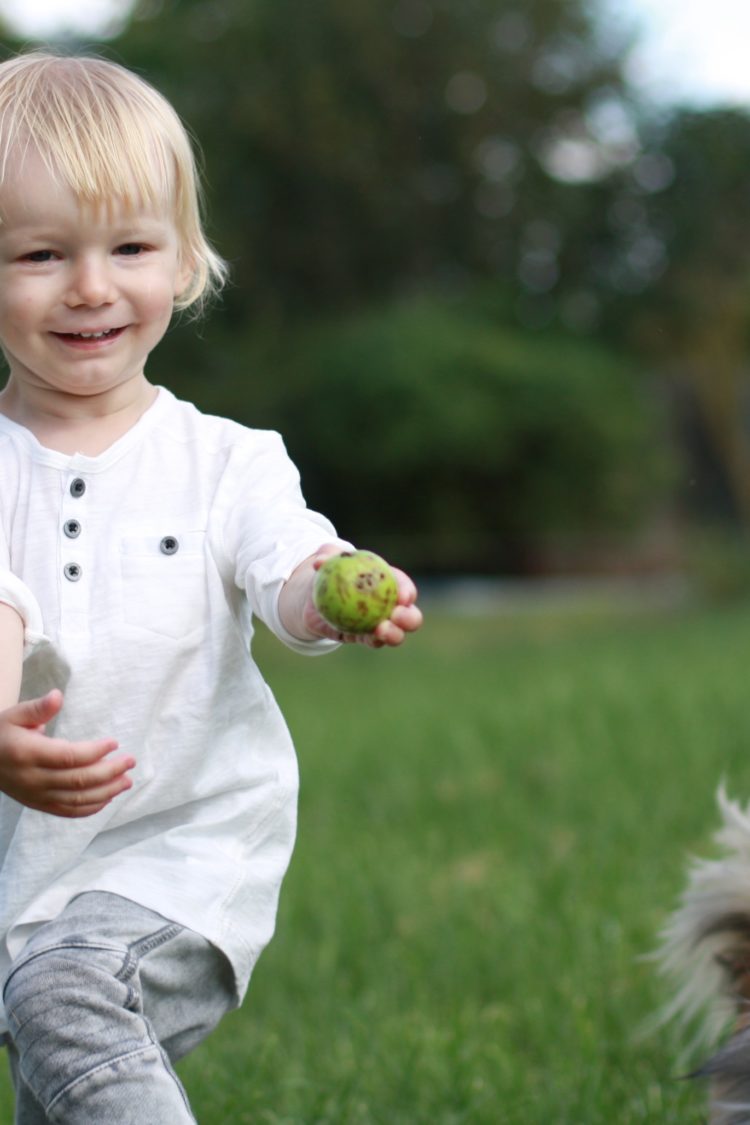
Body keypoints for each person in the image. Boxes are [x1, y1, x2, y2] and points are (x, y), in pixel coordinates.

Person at [0, 49, 422, 1123]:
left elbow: (285, 559)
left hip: (175, 848)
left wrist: (327, 589)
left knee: (69, 997)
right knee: (61, 1064)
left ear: (184, 261)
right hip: (19, 868)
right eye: (41, 253)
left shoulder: (228, 460)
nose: (92, 286)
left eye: (131, 247)